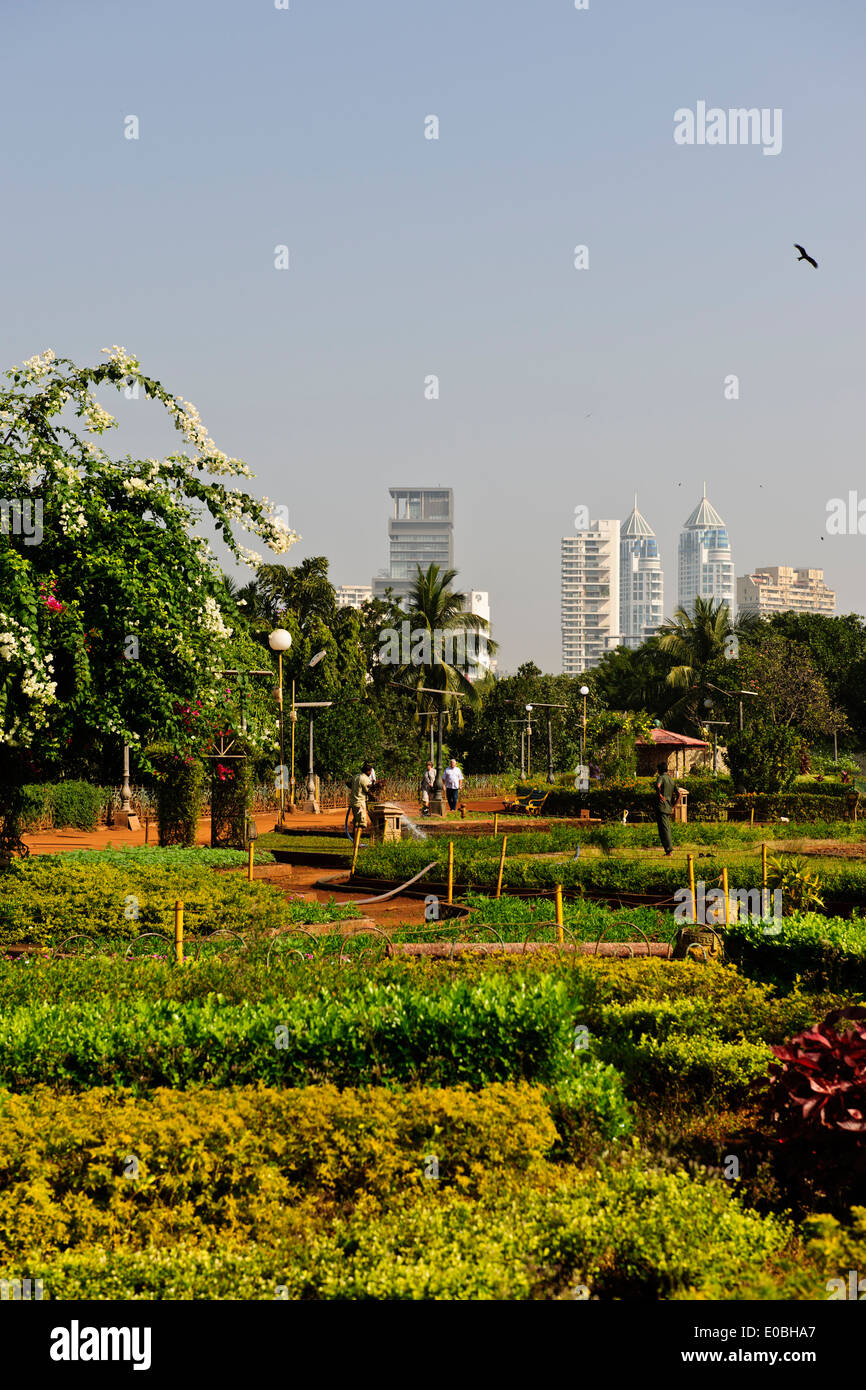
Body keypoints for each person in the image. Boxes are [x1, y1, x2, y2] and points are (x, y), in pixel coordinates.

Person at [653, 760, 679, 856]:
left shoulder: (661, 778)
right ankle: (668, 849)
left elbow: (657, 785)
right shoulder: (671, 780)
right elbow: (679, 794)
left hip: (661, 807)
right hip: (668, 807)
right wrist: (674, 806)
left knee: (664, 829)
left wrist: (659, 795)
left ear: (659, 770)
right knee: (666, 828)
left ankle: (669, 850)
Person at [350, 762, 375, 836]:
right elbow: (368, 791)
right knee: (361, 824)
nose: (371, 773)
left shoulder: (356, 776)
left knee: (356, 823)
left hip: (353, 802)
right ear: (368, 771)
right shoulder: (365, 779)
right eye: (370, 771)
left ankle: (355, 843)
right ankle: (357, 844)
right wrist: (373, 796)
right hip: (360, 804)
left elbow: (348, 783)